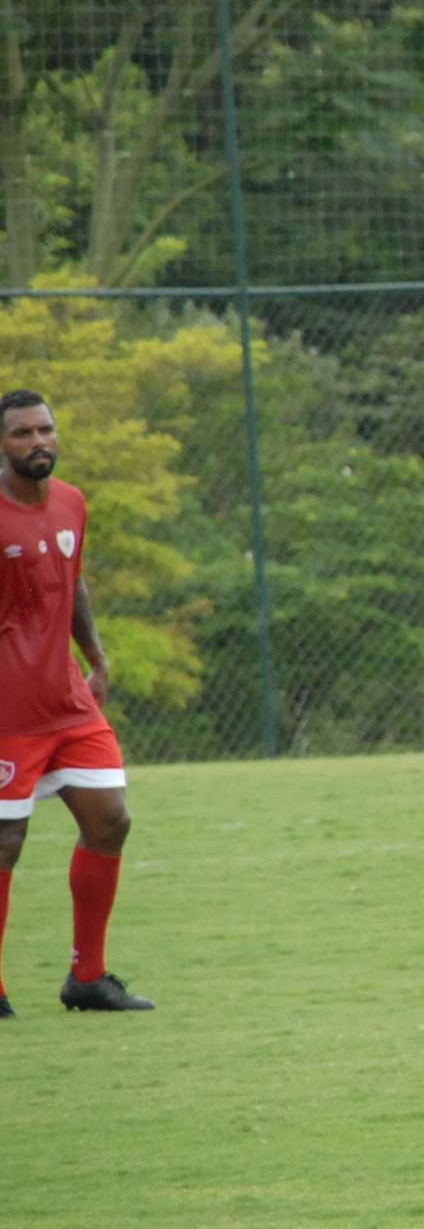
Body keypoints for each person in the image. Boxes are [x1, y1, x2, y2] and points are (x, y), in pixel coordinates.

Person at [0, 390, 153, 1017]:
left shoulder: (71, 503)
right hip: (8, 711)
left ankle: (86, 979)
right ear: (2, 445)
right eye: (21, 434)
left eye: (46, 430)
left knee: (110, 819)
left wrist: (96, 657)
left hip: (68, 701)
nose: (39, 443)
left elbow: (75, 580)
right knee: (6, 841)